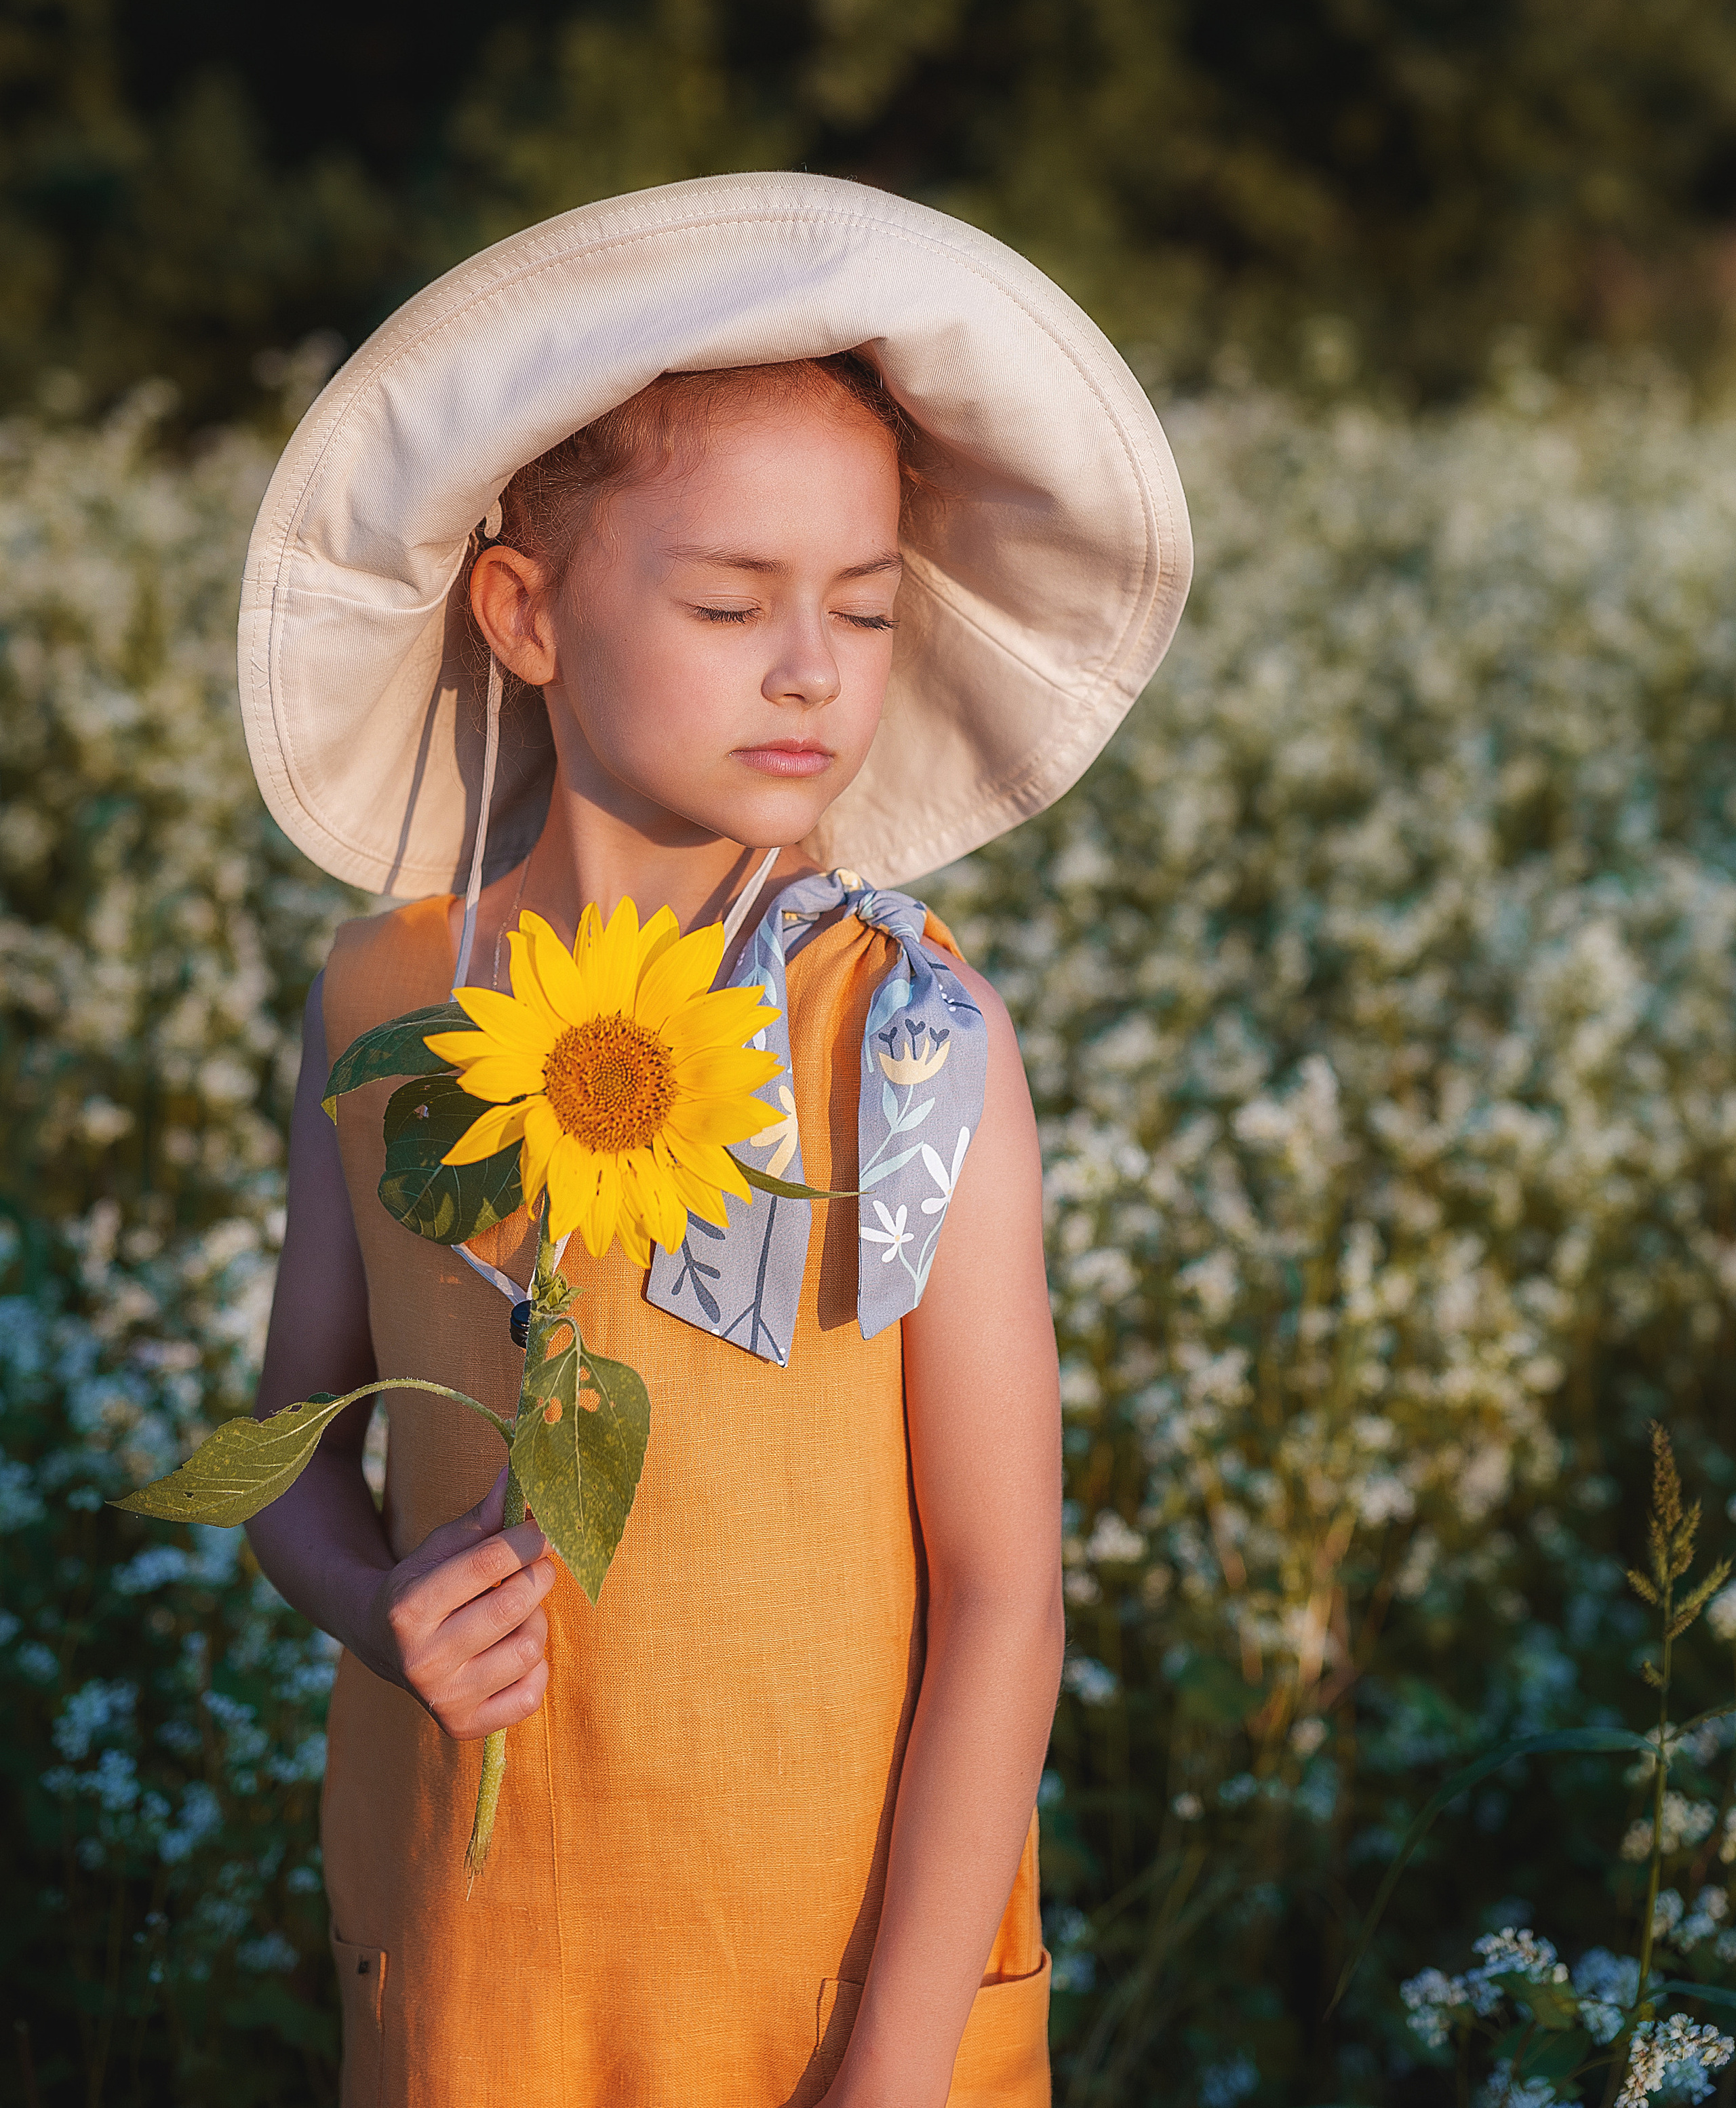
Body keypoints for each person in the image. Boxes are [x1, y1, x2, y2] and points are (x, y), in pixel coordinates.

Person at [240, 174, 1191, 2107]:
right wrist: (376, 1605)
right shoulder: (381, 1002)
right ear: (523, 612)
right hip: (482, 1966)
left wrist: (894, 2073)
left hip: (837, 2008)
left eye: (861, 605)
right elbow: (289, 1457)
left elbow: (1006, 1593)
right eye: (730, 601)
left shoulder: (905, 1034)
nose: (813, 671)